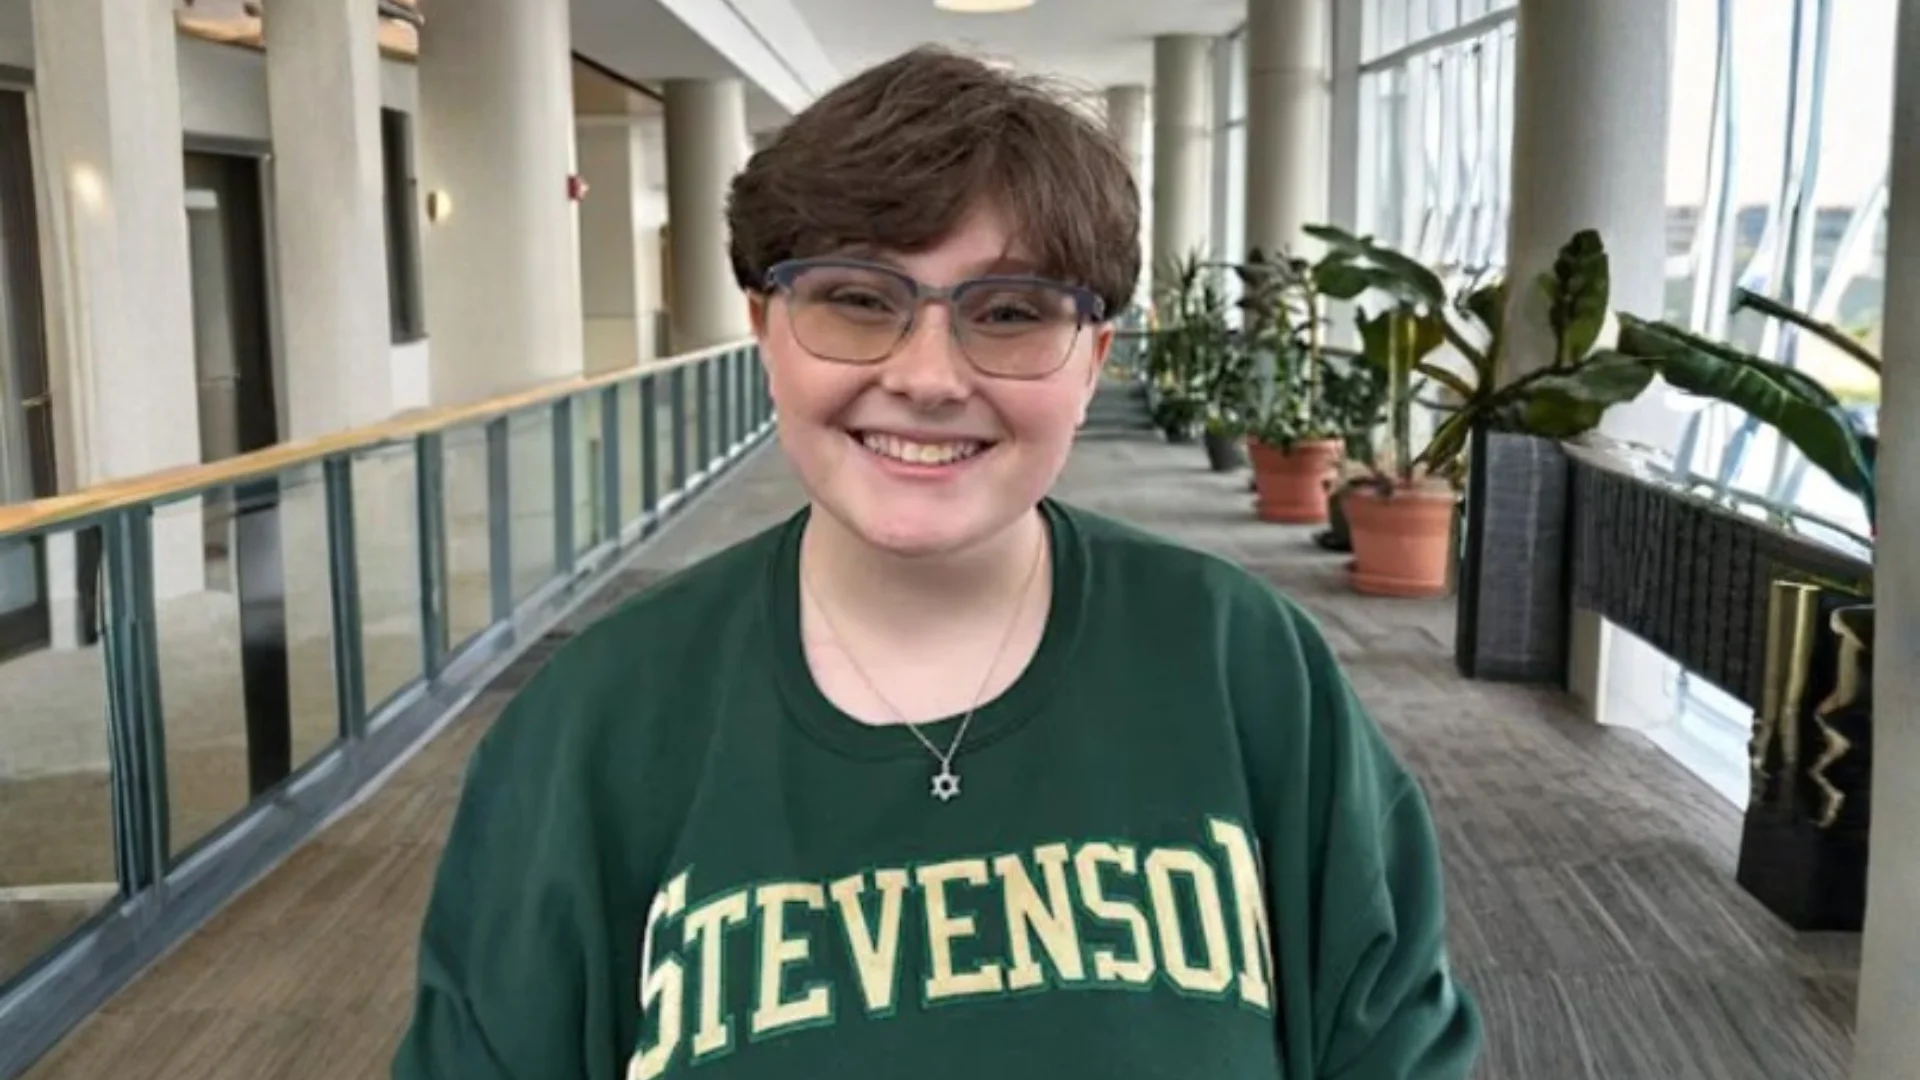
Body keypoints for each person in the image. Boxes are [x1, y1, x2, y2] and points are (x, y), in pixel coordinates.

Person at [391, 45, 1480, 1080]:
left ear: (1093, 360)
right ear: (766, 329)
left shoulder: (1243, 667)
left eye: (1008, 313)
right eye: (859, 299)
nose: (927, 377)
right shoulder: (595, 726)